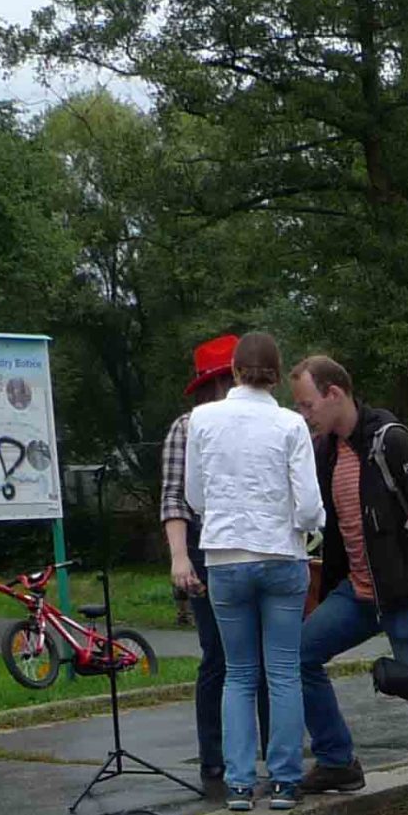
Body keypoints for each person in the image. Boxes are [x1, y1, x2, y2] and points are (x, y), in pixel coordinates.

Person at [289, 355, 408, 815]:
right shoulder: (327, 451)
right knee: (299, 656)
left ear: (334, 394)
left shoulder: (390, 442)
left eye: (307, 405)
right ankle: (337, 760)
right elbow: (335, 531)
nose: (304, 414)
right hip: (359, 594)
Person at [183, 330, 322, 811]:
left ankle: (239, 784)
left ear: (235, 370)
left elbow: (194, 496)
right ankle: (284, 781)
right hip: (282, 555)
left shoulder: (202, 420)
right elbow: (308, 504)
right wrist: (306, 527)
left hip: (225, 556)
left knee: (238, 674)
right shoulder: (290, 424)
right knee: (282, 673)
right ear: (277, 376)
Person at [159, 333, 261, 790]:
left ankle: (269, 751)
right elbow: (174, 498)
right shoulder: (187, 428)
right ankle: (214, 756)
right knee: (218, 654)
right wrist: (181, 557)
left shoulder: (262, 421)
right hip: (206, 543)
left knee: (266, 655)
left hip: (256, 539)